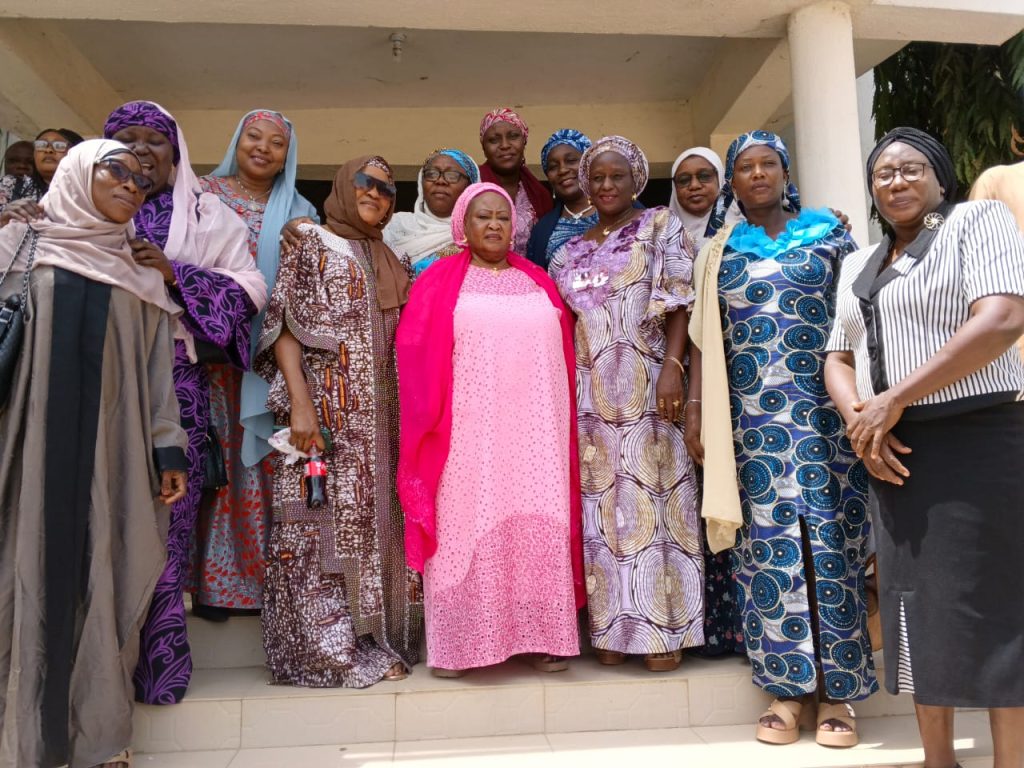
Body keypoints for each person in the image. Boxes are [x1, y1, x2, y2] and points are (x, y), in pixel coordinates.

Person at [825, 126, 1024, 768]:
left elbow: (1002, 319)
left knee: (997, 604)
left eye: (912, 169)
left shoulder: (976, 222)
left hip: (979, 438)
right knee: (914, 607)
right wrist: (863, 422)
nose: (897, 181)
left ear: (940, 178)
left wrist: (895, 398)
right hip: (894, 451)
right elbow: (838, 356)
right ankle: (939, 759)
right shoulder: (859, 263)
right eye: (883, 174)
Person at [0, 139, 188, 768]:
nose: (133, 185)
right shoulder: (20, 247)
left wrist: (168, 449)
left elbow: (159, 374)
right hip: (25, 445)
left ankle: (100, 738)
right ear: (80, 175)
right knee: (19, 565)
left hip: (113, 451)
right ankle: (18, 735)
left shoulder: (139, 275)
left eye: (143, 180)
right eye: (118, 171)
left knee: (106, 568)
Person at [686, 130, 876, 747]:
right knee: (767, 551)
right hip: (752, 430)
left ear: (786, 172)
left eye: (768, 164)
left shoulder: (830, 238)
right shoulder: (719, 254)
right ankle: (786, 690)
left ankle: (839, 694)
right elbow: (703, 339)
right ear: (733, 184)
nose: (758, 174)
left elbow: (863, 321)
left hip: (828, 421)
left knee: (832, 544)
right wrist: (695, 411)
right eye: (745, 167)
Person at [103, 101, 267, 705]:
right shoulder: (81, 207)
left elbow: (250, 287)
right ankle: (92, 673)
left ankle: (156, 669)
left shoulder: (206, 215)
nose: (140, 150)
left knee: (166, 521)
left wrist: (178, 276)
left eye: (153, 140)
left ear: (176, 153)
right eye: (125, 139)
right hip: (94, 378)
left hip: (175, 387)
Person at [396, 181, 585, 677]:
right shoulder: (437, 282)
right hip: (466, 434)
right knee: (465, 526)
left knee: (540, 522)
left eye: (503, 216)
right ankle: (461, 645)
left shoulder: (538, 280)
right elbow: (414, 353)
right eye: (483, 216)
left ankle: (545, 637)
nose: (495, 224)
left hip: (538, 433)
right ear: (463, 224)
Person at [255, 155, 422, 687]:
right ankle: (327, 652)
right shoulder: (312, 242)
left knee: (371, 530)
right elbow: (284, 325)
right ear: (343, 188)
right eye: (364, 183)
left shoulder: (392, 257)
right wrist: (300, 404)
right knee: (318, 525)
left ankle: (377, 639)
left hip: (385, 424)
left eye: (386, 189)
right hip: (327, 414)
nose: (375, 194)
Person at [548, 135, 703, 673]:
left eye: (618, 175)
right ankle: (612, 629)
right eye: (597, 177)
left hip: (650, 387)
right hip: (591, 396)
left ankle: (663, 631)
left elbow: (679, 300)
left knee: (656, 506)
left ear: (637, 178)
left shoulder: (660, 225)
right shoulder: (567, 251)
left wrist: (673, 367)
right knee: (603, 511)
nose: (607, 185)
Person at [192, 110, 319, 622]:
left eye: (276, 143)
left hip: (272, 356)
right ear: (236, 141)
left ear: (288, 156)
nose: (263, 148)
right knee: (215, 464)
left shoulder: (301, 210)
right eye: (253, 137)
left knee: (263, 466)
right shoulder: (200, 195)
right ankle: (211, 585)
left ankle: (260, 588)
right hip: (213, 355)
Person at [384, 148, 479, 277]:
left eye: (452, 176)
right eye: (432, 174)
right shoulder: (393, 226)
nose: (440, 181)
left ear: (470, 186)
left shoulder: (478, 234)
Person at [478, 107, 553, 254]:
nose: (505, 145)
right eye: (494, 140)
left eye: (513, 136)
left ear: (524, 141)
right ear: (484, 148)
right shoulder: (472, 187)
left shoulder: (540, 195)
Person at [525, 129, 597, 269]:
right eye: (553, 167)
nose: (563, 170)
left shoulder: (620, 211)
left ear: (589, 164)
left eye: (571, 161)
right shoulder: (542, 231)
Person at [0, 128, 84, 215]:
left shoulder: (84, 192)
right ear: (34, 154)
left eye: (59, 146)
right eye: (41, 145)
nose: (48, 150)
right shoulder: (11, 184)